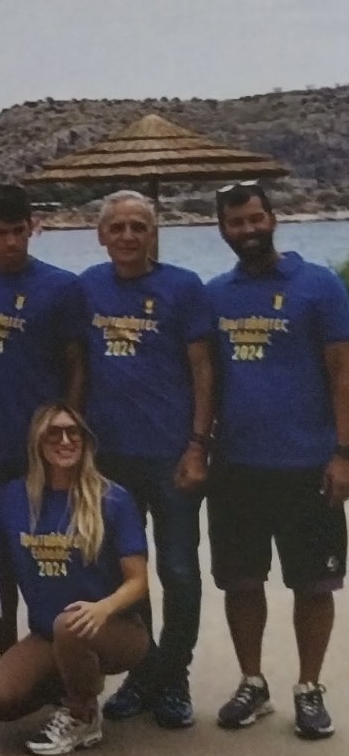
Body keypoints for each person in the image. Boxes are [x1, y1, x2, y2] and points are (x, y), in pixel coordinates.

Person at [205, 182, 349, 740]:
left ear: (273, 218)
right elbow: (205, 376)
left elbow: (343, 374)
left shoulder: (319, 286)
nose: (248, 230)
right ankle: (252, 682)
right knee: (241, 582)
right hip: (236, 467)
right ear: (222, 229)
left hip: (308, 464)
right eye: (236, 222)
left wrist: (343, 454)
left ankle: (309, 687)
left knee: (314, 584)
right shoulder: (215, 294)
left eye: (255, 219)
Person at [0, 185, 87, 706]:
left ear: (33, 228)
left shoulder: (62, 286)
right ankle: (11, 661)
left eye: (18, 231)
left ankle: (63, 665)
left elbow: (78, 366)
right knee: (1, 562)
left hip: (43, 449)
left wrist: (68, 432)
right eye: (0, 232)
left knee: (52, 559)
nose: (10, 241)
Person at [81, 191, 213, 729]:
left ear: (154, 234)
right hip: (110, 461)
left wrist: (198, 444)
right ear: (101, 235)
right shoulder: (87, 287)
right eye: (118, 227)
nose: (129, 236)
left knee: (178, 570)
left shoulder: (184, 287)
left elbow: (204, 370)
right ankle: (143, 671)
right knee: (125, 572)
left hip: (172, 457)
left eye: (139, 226)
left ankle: (174, 675)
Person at [0, 404, 149, 756]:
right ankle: (71, 683)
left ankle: (82, 715)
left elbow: (138, 582)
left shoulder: (113, 498)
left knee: (70, 624)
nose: (64, 440)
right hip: (48, 634)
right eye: (53, 433)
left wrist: (103, 608)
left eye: (73, 432)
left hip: (115, 629)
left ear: (85, 442)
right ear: (37, 442)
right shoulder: (12, 497)